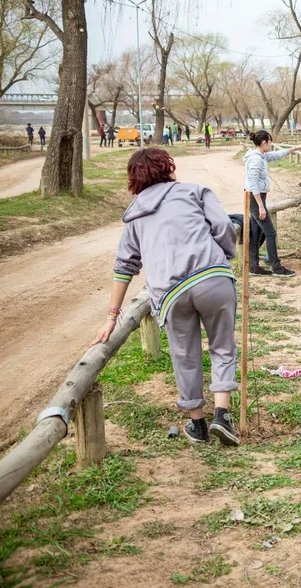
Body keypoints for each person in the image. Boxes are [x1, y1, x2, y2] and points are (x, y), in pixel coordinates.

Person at [92, 147, 240, 446]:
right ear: (168, 168)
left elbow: (124, 267)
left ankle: (197, 424)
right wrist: (224, 254)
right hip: (211, 278)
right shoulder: (195, 192)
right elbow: (223, 226)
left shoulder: (135, 215)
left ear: (134, 178)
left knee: (185, 355)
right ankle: (222, 416)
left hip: (170, 293)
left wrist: (111, 317)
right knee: (222, 346)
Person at [243, 130, 297, 277]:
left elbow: (274, 155)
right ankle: (277, 267)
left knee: (256, 233)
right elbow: (253, 183)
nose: (271, 145)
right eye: (270, 142)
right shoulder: (256, 159)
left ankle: (253, 266)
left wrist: (293, 149)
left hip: (256, 198)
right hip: (255, 198)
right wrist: (261, 206)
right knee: (271, 233)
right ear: (264, 142)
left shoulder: (260, 155)